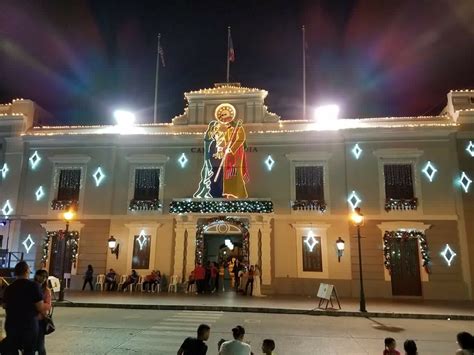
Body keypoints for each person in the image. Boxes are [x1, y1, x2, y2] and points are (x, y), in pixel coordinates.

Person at [0, 261, 45, 355]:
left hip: (12, 324)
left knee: (12, 350)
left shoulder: (9, 288)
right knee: (29, 351)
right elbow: (40, 307)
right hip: (29, 325)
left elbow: (4, 305)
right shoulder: (34, 286)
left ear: (16, 273)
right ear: (27, 271)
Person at [34, 269, 52, 355]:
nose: (43, 278)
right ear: (36, 276)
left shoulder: (46, 290)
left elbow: (48, 305)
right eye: (42, 276)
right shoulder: (31, 287)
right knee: (30, 344)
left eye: (45, 277)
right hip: (30, 319)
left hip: (41, 320)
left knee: (40, 345)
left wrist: (39, 306)